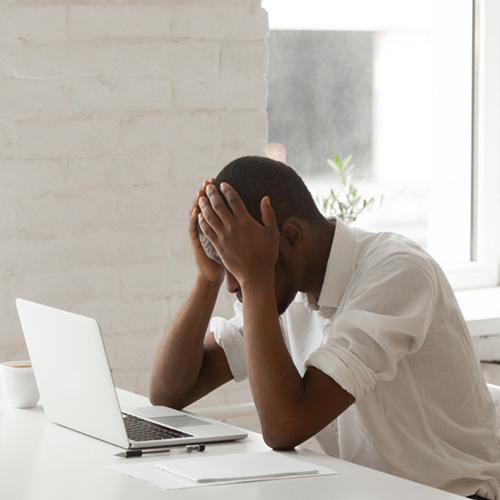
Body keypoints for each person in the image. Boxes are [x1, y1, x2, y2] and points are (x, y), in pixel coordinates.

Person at [149, 156, 500, 499]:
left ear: (290, 235)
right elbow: (170, 393)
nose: (232, 286)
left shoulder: (398, 273)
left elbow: (284, 426)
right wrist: (207, 279)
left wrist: (254, 278)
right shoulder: (288, 290)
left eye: (238, 266)